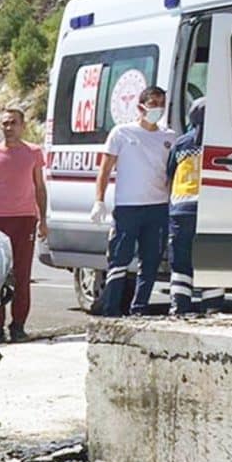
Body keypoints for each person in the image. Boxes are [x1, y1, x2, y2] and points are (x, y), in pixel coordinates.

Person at [90, 86, 177, 316]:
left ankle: (139, 309)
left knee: (150, 261)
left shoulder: (168, 136)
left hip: (157, 207)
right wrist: (98, 201)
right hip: (128, 208)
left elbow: (170, 172)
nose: (157, 108)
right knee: (119, 260)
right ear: (140, 106)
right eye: (153, 103)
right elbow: (105, 169)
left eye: (161, 103)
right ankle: (111, 309)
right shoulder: (122, 133)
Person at [0, 108, 48, 343]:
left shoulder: (33, 153)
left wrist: (43, 220)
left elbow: (40, 187)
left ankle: (18, 327)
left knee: (22, 276)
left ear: (22, 126)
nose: (8, 127)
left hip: (25, 219)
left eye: (13, 123)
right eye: (5, 123)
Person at [166, 99, 205, 317]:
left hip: (181, 209)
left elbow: (169, 173)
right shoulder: (219, 142)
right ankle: (212, 306)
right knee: (210, 259)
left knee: (181, 260)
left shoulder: (181, 144)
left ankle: (179, 306)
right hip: (209, 209)